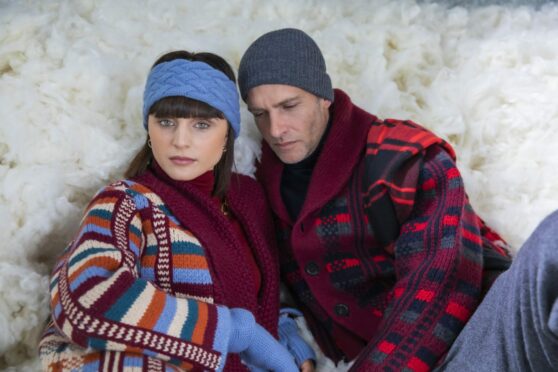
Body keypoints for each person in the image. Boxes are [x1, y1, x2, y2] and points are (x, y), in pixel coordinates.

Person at [237, 28, 521, 371]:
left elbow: (439, 288)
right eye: (260, 114)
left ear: (323, 96)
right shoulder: (258, 184)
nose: (276, 129)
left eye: (289, 106)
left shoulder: (405, 159)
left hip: (482, 334)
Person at [38, 50, 315, 371]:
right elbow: (85, 299)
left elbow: (257, 299)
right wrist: (234, 332)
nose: (180, 141)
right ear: (149, 128)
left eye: (202, 124)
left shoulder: (249, 201)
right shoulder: (126, 201)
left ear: (228, 133)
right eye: (166, 122)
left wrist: (284, 336)